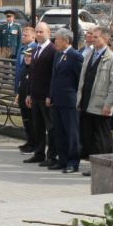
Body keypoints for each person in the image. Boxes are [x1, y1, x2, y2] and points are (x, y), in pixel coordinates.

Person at [77, 26, 113, 176]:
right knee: (89, 137)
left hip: (101, 104)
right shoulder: (89, 54)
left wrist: (109, 104)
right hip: (87, 102)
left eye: (96, 37)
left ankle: (108, 167)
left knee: (103, 138)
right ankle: (95, 166)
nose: (93, 39)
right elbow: (83, 78)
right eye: (92, 36)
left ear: (105, 39)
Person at [48, 29, 84, 173]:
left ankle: (73, 162)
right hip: (57, 100)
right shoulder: (58, 54)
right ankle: (62, 160)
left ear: (67, 41)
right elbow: (54, 77)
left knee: (71, 133)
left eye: (57, 39)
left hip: (70, 101)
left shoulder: (75, 56)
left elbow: (79, 79)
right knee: (59, 132)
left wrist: (77, 98)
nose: (55, 42)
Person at [24, 22, 58, 167]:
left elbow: (53, 75)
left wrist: (50, 95)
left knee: (50, 127)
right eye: (36, 32)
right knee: (37, 126)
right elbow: (31, 73)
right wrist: (29, 94)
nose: (38, 35)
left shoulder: (53, 49)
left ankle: (52, 155)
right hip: (35, 95)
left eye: (41, 32)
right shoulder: (35, 49)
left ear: (48, 32)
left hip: (46, 96)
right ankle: (39, 153)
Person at [14, 26, 36, 152]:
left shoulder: (34, 49)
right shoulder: (22, 49)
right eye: (22, 35)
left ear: (33, 37)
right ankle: (29, 140)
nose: (23, 37)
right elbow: (19, 71)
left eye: (26, 35)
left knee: (31, 120)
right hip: (22, 88)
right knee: (26, 119)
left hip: (30, 90)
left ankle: (33, 142)